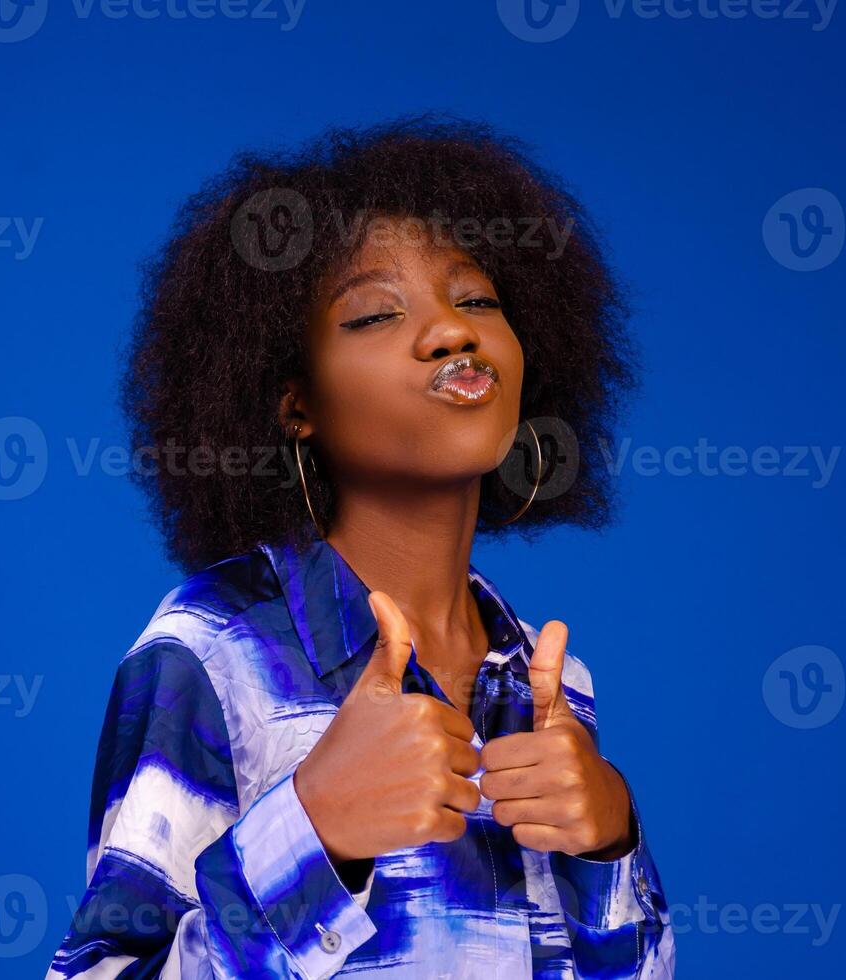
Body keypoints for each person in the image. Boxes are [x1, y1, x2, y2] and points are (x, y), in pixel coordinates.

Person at [46, 114, 674, 979]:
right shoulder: (213, 651)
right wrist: (313, 828)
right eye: (378, 314)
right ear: (294, 403)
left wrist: (610, 840)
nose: (453, 333)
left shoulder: (551, 683)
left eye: (479, 301)